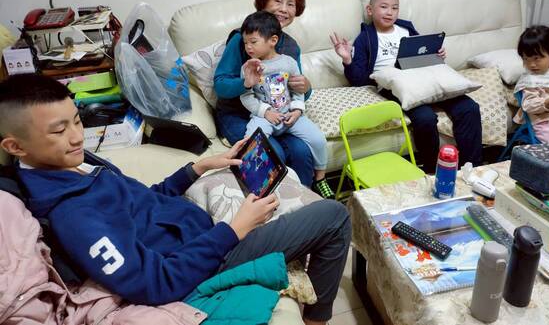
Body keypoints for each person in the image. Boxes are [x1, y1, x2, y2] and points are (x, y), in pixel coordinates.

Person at [0, 73, 351, 325]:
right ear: (15, 146)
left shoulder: (72, 164)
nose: (77, 137)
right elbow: (155, 283)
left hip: (201, 236)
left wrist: (197, 169)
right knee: (334, 217)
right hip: (205, 263)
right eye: (59, 131)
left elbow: (141, 202)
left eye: (77, 121)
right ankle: (317, 319)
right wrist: (234, 230)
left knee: (271, 177)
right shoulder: (73, 214)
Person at [330, 0, 483, 173]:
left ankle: (472, 169)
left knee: (469, 108)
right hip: (396, 84)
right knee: (425, 118)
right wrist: (347, 60)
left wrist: (436, 54)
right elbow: (359, 80)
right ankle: (433, 171)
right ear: (370, 10)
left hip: (422, 76)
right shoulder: (365, 38)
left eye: (395, 8)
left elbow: (422, 51)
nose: (390, 12)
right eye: (384, 7)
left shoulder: (406, 28)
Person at [214, 0, 322, 192]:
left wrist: (306, 87)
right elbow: (221, 85)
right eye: (278, 1)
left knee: (302, 152)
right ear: (263, 4)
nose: (284, 9)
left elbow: (294, 90)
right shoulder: (243, 40)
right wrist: (246, 83)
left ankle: (308, 200)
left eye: (290, 4)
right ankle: (271, 204)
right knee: (272, 154)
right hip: (238, 113)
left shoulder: (291, 47)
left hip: (278, 114)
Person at [239, 10, 332, 198]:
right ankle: (257, 188)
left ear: (273, 40)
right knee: (251, 142)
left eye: (253, 42)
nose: (248, 47)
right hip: (265, 117)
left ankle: (320, 179)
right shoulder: (248, 67)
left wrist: (297, 111)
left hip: (290, 114)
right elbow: (246, 96)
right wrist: (266, 112)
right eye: (245, 42)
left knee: (318, 139)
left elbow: (298, 90)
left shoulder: (288, 63)